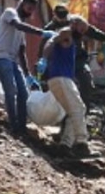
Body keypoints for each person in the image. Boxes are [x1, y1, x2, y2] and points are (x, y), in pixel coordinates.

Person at [0, 0, 56, 137]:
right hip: (0, 57)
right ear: (22, 4)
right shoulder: (10, 13)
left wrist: (28, 75)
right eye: (28, 8)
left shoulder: (22, 27)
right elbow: (17, 25)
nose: (30, 12)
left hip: (12, 61)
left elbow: (21, 52)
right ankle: (13, 127)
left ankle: (22, 127)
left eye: (32, 10)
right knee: (11, 90)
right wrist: (41, 33)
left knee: (23, 93)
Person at [44, 6, 105, 110]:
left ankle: (85, 111)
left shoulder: (77, 22)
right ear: (55, 16)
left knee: (86, 83)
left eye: (65, 17)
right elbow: (45, 44)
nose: (63, 20)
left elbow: (94, 32)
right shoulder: (50, 29)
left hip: (77, 60)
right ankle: (60, 113)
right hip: (60, 63)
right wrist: (43, 60)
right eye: (60, 18)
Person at [38, 27, 94, 157]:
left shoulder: (72, 41)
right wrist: (44, 58)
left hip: (59, 79)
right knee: (79, 108)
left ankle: (65, 145)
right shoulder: (67, 32)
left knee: (73, 111)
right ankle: (82, 143)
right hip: (61, 78)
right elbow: (51, 41)